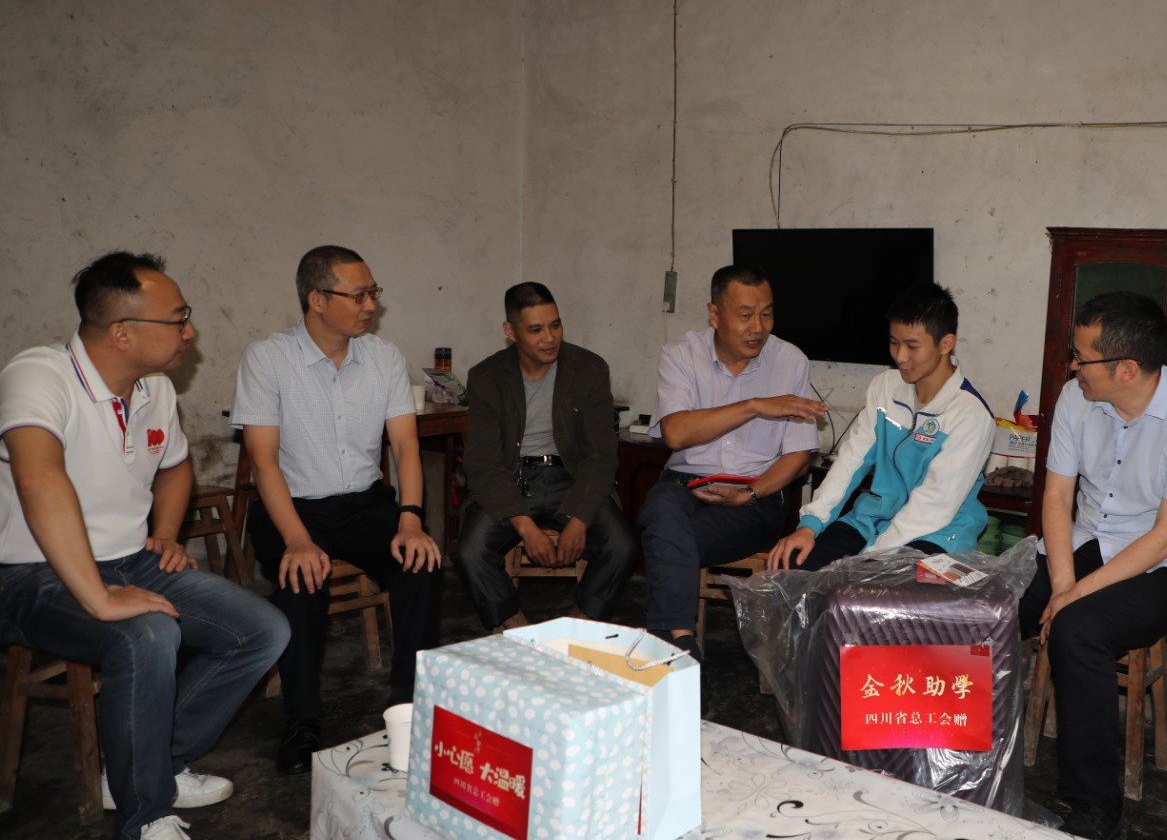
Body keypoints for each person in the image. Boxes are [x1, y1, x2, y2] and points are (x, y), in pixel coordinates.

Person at [0, 252, 289, 840]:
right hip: (28, 573)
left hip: (130, 559)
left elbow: (176, 465)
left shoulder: (156, 387)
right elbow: (38, 479)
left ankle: (148, 764)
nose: (190, 331)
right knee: (146, 634)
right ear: (122, 332)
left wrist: (166, 532)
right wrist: (100, 598)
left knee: (262, 630)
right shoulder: (38, 375)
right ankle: (143, 822)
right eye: (177, 319)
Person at [1017, 291, 1167, 840]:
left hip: (1163, 568)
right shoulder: (1075, 397)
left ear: (1127, 368)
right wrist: (1063, 583)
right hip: (1085, 544)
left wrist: (1072, 600)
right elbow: (1058, 496)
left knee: (1077, 629)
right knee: (992, 605)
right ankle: (959, 752)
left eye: (1081, 357)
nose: (1072, 367)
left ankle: (1096, 805)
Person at [232, 245, 442, 775]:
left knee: (420, 563)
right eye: (359, 295)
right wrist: (298, 539)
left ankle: (411, 708)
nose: (371, 304)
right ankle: (301, 720)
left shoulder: (383, 357)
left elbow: (406, 446)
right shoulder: (268, 358)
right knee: (300, 580)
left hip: (364, 504)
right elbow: (264, 462)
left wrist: (411, 518)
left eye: (373, 292)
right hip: (292, 507)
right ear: (317, 299)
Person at [639, 265, 826, 657]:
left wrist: (751, 493)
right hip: (685, 488)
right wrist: (754, 406)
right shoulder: (681, 354)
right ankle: (681, 642)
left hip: (755, 498)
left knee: (665, 537)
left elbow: (799, 455)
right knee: (662, 503)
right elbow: (675, 433)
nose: (758, 327)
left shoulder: (790, 360)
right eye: (745, 315)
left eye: (767, 314)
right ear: (714, 314)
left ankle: (673, 646)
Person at [768, 282, 991, 571]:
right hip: (870, 521)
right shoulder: (884, 387)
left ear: (946, 343)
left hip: (937, 535)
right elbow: (851, 460)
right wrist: (810, 524)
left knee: (865, 591)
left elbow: (934, 507)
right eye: (894, 342)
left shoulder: (970, 415)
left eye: (912, 346)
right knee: (794, 567)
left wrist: (869, 559)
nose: (900, 356)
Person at [454, 282, 637, 628]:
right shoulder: (487, 377)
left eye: (555, 325)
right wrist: (525, 526)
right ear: (510, 331)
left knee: (622, 546)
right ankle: (522, 635)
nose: (549, 338)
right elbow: (483, 462)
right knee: (470, 552)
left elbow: (601, 455)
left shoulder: (589, 369)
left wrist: (579, 517)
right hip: (512, 479)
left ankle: (575, 629)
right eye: (535, 329)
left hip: (573, 477)